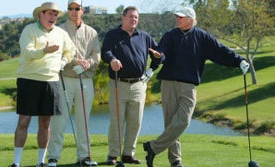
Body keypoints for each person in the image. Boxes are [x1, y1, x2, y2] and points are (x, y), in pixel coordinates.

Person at [143, 7, 250, 167]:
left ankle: (153, 147)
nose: (178, 19)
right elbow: (161, 53)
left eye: (181, 17)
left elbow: (220, 50)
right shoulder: (170, 35)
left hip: (189, 85)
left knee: (183, 121)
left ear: (191, 19)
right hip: (168, 84)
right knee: (171, 123)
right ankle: (175, 160)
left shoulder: (202, 37)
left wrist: (239, 60)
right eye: (177, 17)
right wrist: (158, 56)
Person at [8, 2, 76, 167]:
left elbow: (71, 50)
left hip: (51, 81)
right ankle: (16, 163)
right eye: (50, 14)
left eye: (55, 14)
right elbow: (28, 53)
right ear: (41, 15)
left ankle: (41, 161)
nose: (53, 17)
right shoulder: (29, 30)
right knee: (24, 121)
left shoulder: (61, 33)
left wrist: (64, 61)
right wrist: (45, 51)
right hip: (29, 80)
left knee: (45, 123)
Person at [101, 6, 161, 165]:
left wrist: (153, 66)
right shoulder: (113, 35)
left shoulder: (145, 37)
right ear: (123, 18)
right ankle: (113, 154)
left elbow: (160, 56)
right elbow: (105, 52)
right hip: (118, 83)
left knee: (135, 122)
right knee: (117, 121)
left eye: (136, 17)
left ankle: (128, 154)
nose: (133, 19)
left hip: (139, 85)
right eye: (130, 17)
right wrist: (112, 59)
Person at [47, 0, 100, 166]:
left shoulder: (92, 32)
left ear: (82, 10)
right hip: (65, 79)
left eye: (77, 8)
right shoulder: (59, 30)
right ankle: (53, 157)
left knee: (83, 121)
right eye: (70, 8)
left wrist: (88, 63)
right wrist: (75, 61)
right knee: (59, 120)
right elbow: (58, 53)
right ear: (67, 10)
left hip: (85, 80)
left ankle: (84, 156)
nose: (73, 11)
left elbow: (96, 55)